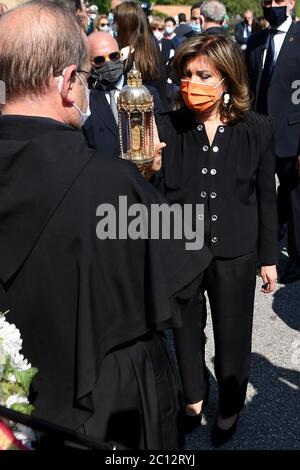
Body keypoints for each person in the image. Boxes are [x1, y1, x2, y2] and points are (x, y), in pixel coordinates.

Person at [0, 0, 212, 450]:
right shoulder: (110, 180)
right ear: (65, 82)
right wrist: (146, 182)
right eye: (83, 76)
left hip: (14, 404)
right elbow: (185, 266)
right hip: (106, 404)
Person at [155, 34, 278, 446]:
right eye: (186, 74)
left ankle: (229, 404)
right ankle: (193, 397)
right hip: (182, 250)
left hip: (236, 254)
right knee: (186, 331)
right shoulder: (165, 128)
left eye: (203, 75)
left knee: (233, 333)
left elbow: (265, 196)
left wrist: (268, 257)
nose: (192, 83)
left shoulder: (256, 130)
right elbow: (148, 191)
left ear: (226, 78)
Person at [246, 0, 300, 284]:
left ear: (290, 2)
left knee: (294, 200)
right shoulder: (256, 41)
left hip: (292, 134)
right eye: (267, 1)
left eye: (278, 0)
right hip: (260, 134)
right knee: (262, 195)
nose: (272, 5)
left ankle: (297, 256)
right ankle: (262, 251)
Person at [83, 31, 163, 155]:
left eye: (114, 56)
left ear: (121, 55)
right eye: (99, 60)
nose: (108, 63)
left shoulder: (147, 94)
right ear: (90, 64)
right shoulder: (85, 100)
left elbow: (160, 141)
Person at [114, 1, 169, 110]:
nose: (114, 26)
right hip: (159, 112)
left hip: (143, 116)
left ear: (124, 25)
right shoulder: (151, 47)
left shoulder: (130, 56)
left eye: (116, 22)